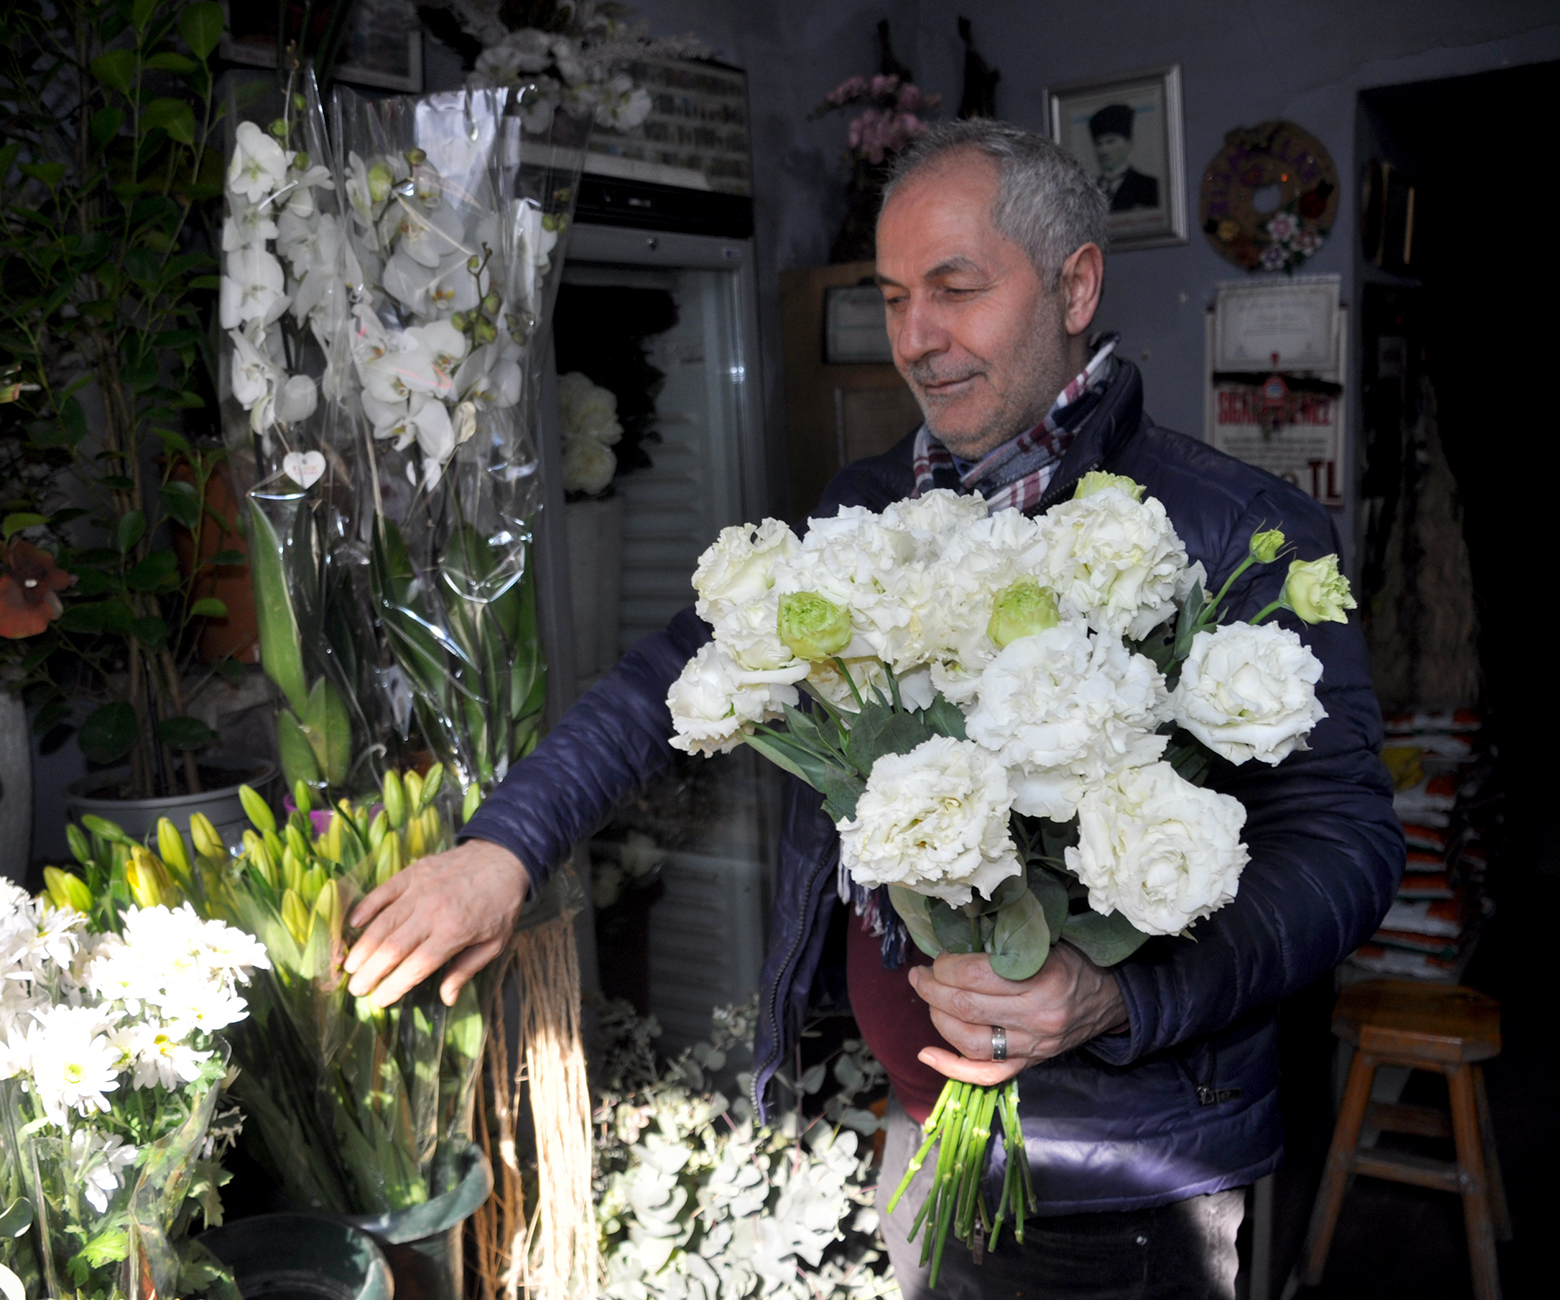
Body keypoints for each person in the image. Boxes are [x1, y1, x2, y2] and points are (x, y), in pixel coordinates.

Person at [343, 119, 1401, 1299]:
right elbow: (673, 673)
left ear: (1075, 284)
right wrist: (504, 845)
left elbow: (1345, 848)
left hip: (1111, 1176)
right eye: (893, 295)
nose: (915, 339)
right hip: (912, 1127)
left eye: (955, 289)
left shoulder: (1228, 532)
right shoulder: (870, 501)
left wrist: (1114, 992)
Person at [1089, 102, 1160, 211]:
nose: (1103, 150)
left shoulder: (1149, 186)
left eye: (1110, 141)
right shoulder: (1088, 190)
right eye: (1098, 144)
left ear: (1128, 143)